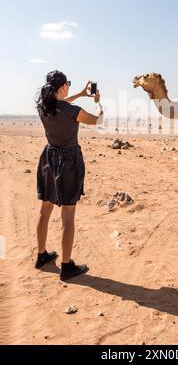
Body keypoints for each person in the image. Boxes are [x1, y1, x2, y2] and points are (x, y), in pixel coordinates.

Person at [35, 70, 103, 281]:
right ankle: (66, 266)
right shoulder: (71, 111)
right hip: (69, 162)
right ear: (62, 87)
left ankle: (41, 255)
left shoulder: (43, 106)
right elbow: (97, 120)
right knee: (68, 217)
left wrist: (81, 93)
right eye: (69, 85)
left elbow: (59, 103)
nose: (69, 88)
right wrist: (98, 102)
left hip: (49, 159)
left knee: (45, 210)